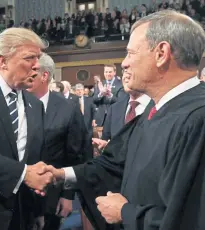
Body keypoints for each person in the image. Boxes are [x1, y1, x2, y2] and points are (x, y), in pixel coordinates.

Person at [41, 10, 205, 230]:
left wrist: (125, 213)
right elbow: (114, 165)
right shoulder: (155, 111)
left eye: (130, 53)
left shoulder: (197, 119)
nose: (125, 64)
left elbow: (192, 218)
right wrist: (61, 174)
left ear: (161, 53)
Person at [0, 28, 54, 230]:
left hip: (23, 216)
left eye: (38, 58)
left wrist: (39, 210)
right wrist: (22, 174)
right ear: (3, 61)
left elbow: (36, 159)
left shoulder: (35, 105)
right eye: (29, 58)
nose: (37, 66)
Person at [27, 53, 90, 230]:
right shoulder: (17, 102)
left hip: (51, 197)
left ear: (44, 75)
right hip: (19, 195)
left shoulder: (67, 108)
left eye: (32, 71)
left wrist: (68, 195)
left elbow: (76, 155)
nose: (26, 75)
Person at [92, 74, 150, 149]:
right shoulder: (114, 109)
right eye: (124, 70)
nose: (126, 75)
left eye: (131, 70)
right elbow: (105, 141)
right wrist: (106, 146)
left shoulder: (159, 106)